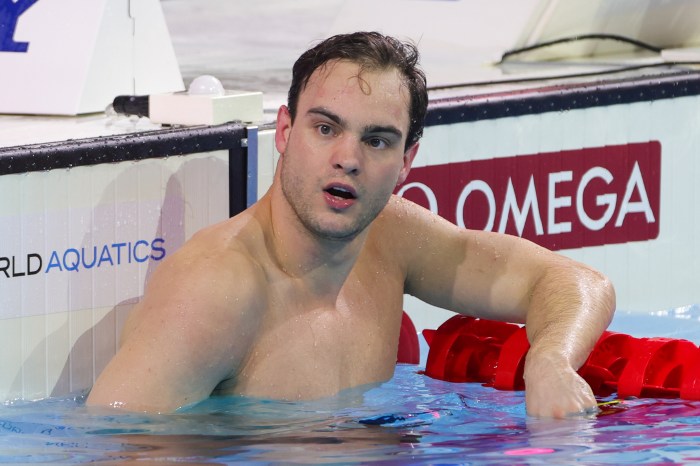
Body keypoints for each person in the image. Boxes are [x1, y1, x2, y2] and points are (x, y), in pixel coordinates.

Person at [87, 31, 615, 417]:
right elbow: (116, 445)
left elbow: (578, 283)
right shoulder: (218, 291)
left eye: (377, 140)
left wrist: (549, 361)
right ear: (285, 132)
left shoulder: (391, 238)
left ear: (407, 161)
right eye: (325, 128)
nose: (348, 158)